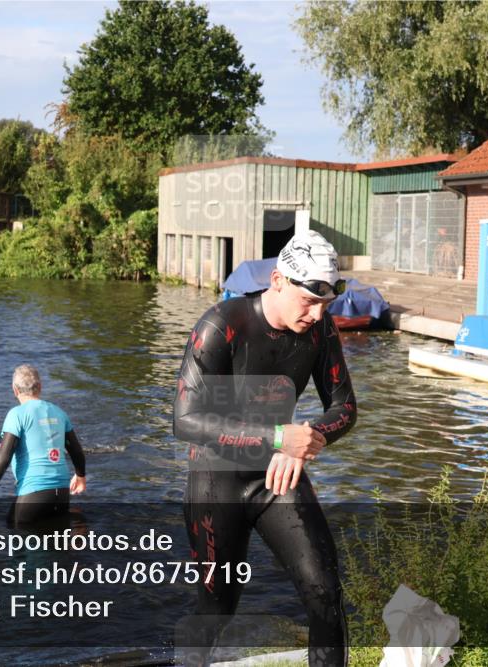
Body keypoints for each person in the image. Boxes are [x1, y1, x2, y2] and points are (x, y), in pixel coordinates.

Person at [173, 231, 357, 666]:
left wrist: (311, 437)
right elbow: (184, 420)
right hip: (215, 484)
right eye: (308, 302)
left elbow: (345, 406)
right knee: (218, 609)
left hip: (278, 478)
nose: (316, 315)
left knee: (326, 594)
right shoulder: (222, 325)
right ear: (278, 280)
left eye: (325, 305)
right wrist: (277, 438)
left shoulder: (320, 329)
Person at [0, 364, 87, 527]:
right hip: (62, 492)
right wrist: (80, 476)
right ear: (40, 387)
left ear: (15, 390)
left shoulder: (16, 414)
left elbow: (4, 455)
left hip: (34, 491)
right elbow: (76, 450)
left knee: (16, 536)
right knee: (56, 546)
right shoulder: (59, 412)